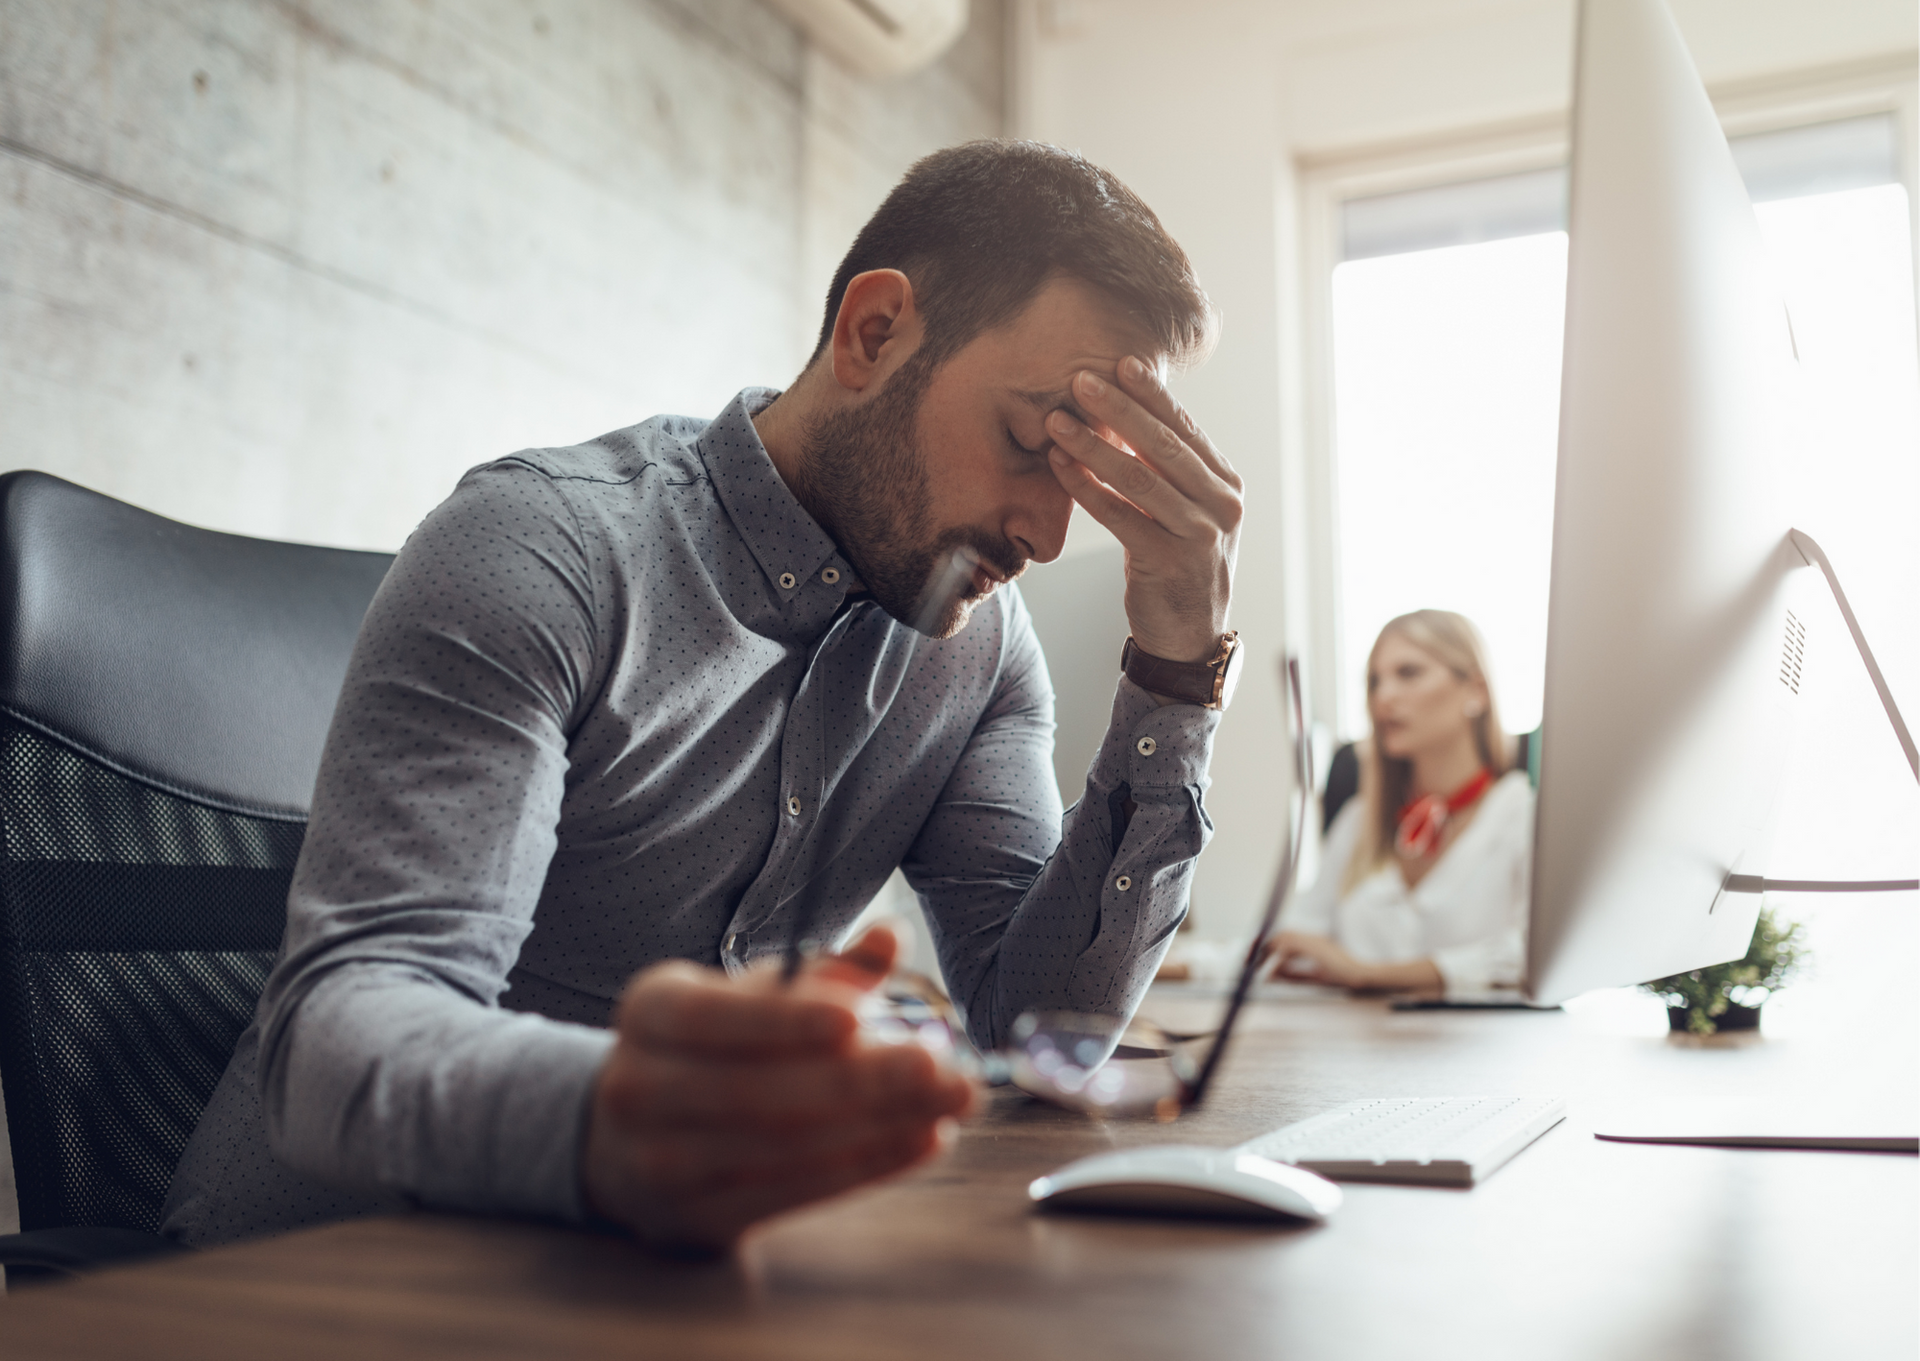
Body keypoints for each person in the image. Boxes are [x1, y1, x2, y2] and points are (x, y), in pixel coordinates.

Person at [161, 140, 1245, 1252]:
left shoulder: (971, 647)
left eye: (1080, 478)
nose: (1048, 534)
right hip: (322, 1274)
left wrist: (1175, 671)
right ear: (875, 334)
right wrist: (614, 1119)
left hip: (661, 1286)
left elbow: (1037, 1026)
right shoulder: (544, 550)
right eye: (1028, 442)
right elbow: (334, 1039)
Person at [1263, 611, 1531, 995]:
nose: (1383, 697)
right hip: (1359, 1048)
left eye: (1408, 673)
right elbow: (1294, 939)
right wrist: (1174, 962)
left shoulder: (1524, 816)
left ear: (1476, 690)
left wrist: (1368, 975)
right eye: (1374, 681)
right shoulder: (1360, 819)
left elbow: (1531, 954)